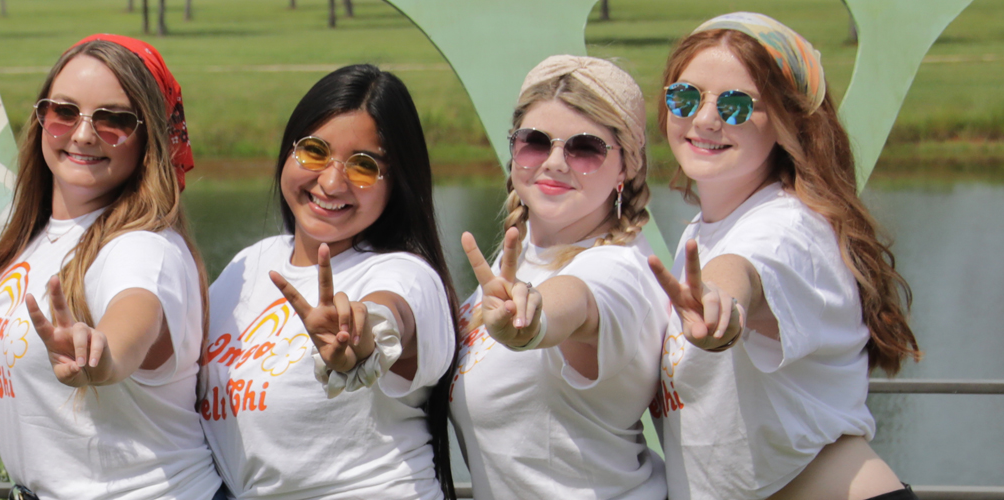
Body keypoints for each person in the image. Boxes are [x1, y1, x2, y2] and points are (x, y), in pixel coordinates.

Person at [650, 12, 921, 500]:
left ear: (787, 120)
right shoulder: (711, 227)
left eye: (736, 105)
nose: (705, 118)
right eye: (685, 97)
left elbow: (746, 272)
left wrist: (720, 302)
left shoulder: (788, 230)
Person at [0, 34, 218, 499]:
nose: (82, 134)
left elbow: (131, 320)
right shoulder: (29, 236)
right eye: (63, 112)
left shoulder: (144, 248)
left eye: (113, 120)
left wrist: (100, 357)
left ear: (149, 138)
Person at [199, 63, 460, 499]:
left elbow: (391, 314)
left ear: (396, 183)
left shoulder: (406, 274)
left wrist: (361, 339)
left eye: (364, 166)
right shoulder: (250, 264)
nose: (332, 182)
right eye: (315, 152)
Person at [448, 55, 666, 499]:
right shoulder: (528, 250)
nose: (554, 162)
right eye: (534, 142)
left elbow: (574, 302)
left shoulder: (618, 270)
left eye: (585, 149)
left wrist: (532, 324)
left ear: (626, 167)